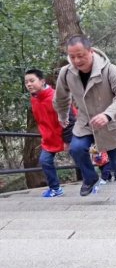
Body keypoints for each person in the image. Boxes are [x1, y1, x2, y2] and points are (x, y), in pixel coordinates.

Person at [53, 36, 116, 201]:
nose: (76, 60)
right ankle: (90, 177)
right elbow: (61, 96)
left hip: (112, 122)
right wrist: (62, 114)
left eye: (80, 55)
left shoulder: (109, 69)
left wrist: (107, 114)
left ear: (90, 51)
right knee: (76, 148)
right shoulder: (66, 73)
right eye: (72, 56)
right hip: (86, 121)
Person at [25, 69, 76, 198]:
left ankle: (92, 182)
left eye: (32, 81)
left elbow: (70, 118)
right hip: (49, 138)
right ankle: (56, 189)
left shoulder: (56, 97)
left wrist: (67, 140)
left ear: (42, 82)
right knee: (45, 160)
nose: (29, 84)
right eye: (26, 82)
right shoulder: (34, 99)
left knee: (80, 157)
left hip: (66, 134)